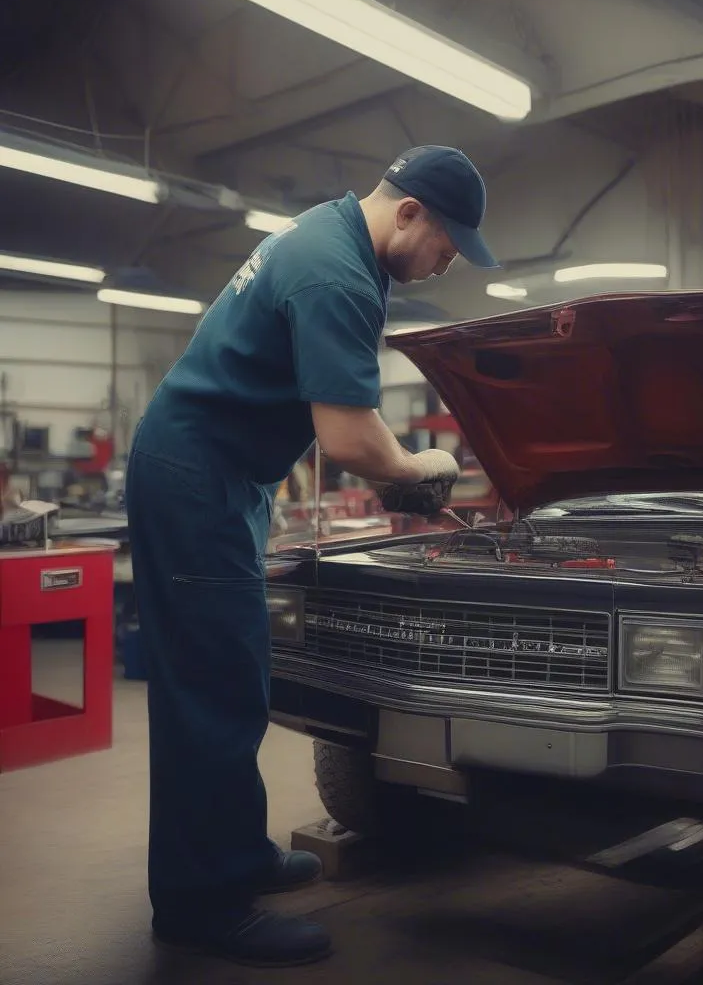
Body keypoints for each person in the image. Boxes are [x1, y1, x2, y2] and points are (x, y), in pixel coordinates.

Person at [124, 145, 499, 967]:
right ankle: (201, 902)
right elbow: (348, 435)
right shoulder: (339, 274)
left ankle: (237, 853)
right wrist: (420, 468)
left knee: (236, 673)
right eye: (447, 244)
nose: (446, 262)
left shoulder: (322, 235)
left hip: (219, 475)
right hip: (199, 480)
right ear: (409, 214)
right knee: (210, 690)